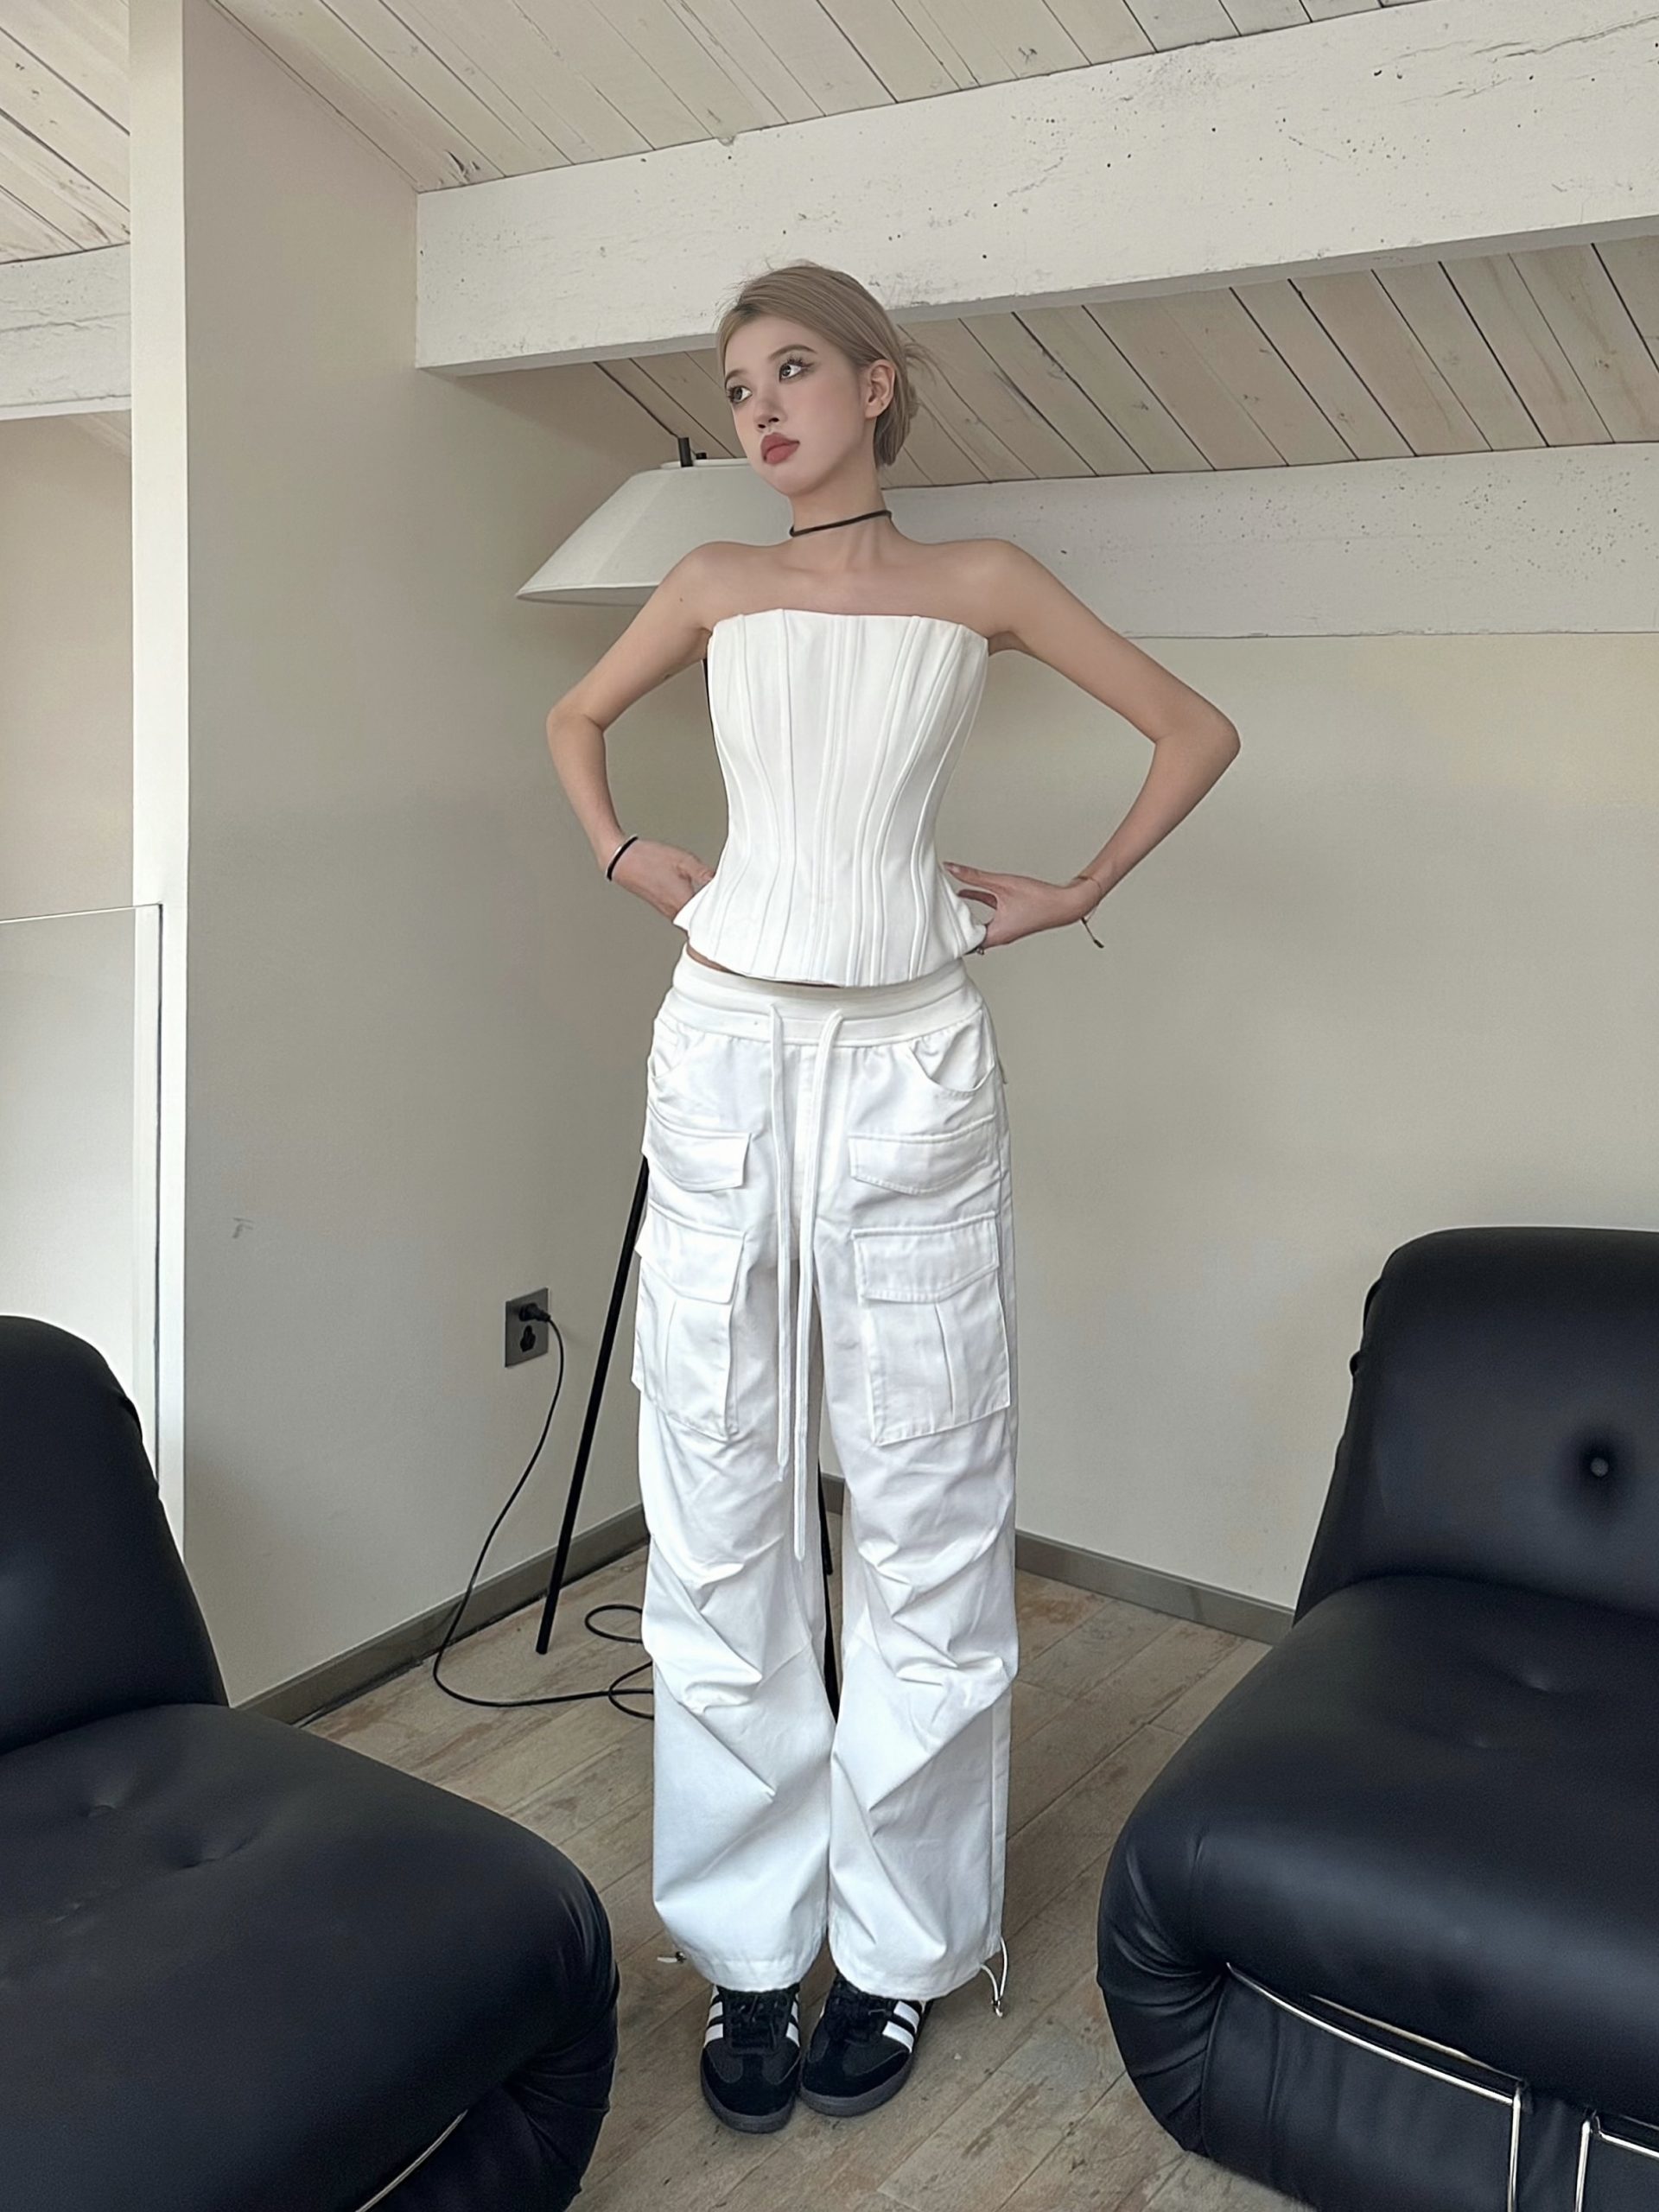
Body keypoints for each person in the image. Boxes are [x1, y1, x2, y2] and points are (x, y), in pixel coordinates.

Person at [543, 260, 1240, 2134]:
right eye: (735, 384)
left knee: (928, 1496)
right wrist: (623, 853)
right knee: (718, 1493)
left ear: (876, 384)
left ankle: (900, 1948)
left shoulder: (982, 579)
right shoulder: (710, 581)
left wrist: (1075, 890)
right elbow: (572, 719)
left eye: (792, 369)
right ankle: (748, 1947)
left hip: (910, 1052)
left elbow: (1194, 728)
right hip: (726, 1045)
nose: (761, 409)